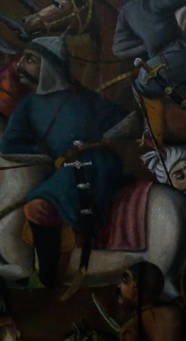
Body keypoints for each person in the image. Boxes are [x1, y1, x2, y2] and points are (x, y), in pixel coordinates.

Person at [0, 37, 126, 288]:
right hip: (66, 167)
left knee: (37, 207)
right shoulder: (29, 105)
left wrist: (107, 137)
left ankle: (47, 279)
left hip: (97, 164)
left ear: (50, 65)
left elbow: (123, 121)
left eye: (29, 59)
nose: (20, 65)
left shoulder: (86, 98)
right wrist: (46, 155)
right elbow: (10, 145)